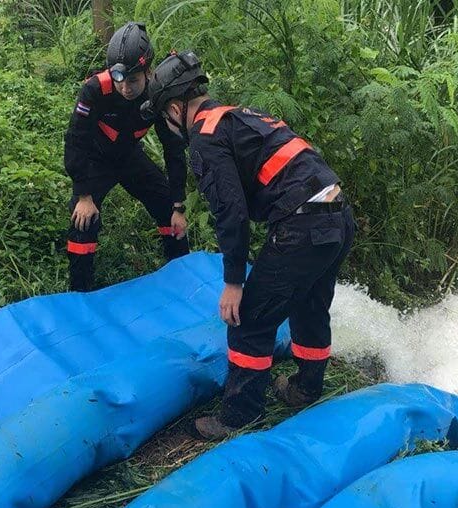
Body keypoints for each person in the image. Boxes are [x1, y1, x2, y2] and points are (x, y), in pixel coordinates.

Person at [141, 51, 355, 439]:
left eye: (164, 117)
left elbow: (231, 212)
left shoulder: (205, 138)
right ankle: (306, 388)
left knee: (249, 319)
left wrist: (234, 282)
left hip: (303, 223)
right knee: (309, 302)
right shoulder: (238, 116)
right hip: (337, 213)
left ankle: (240, 415)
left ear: (174, 109)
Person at [64, 22, 189, 292]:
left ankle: (182, 276)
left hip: (130, 157)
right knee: (83, 221)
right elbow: (76, 139)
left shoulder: (159, 93)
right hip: (95, 161)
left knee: (167, 207)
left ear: (148, 71)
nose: (125, 88)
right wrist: (84, 195)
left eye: (133, 80)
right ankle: (80, 294)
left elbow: (173, 150)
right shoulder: (95, 89)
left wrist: (179, 205)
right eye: (119, 80)